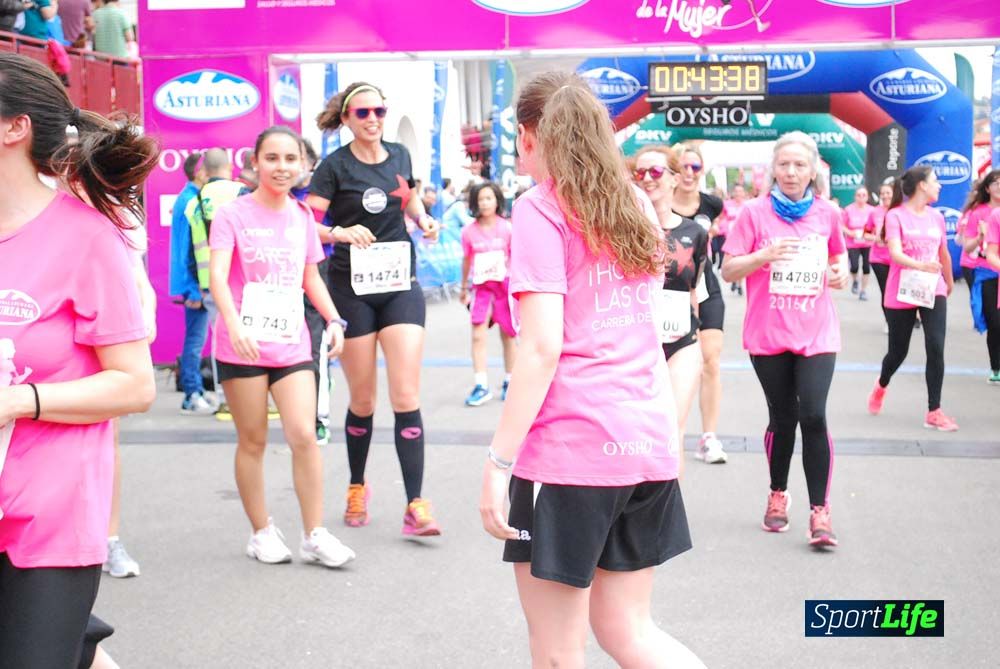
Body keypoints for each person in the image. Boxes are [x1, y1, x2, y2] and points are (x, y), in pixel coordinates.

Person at [479, 71, 700, 669]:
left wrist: (498, 463)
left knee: (558, 652)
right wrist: (669, 433)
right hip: (643, 440)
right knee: (630, 632)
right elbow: (651, 332)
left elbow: (540, 348)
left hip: (572, 451)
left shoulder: (540, 208)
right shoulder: (636, 203)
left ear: (530, 135)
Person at [0, 52, 157, 666]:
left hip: (50, 514)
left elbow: (134, 384)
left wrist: (20, 400)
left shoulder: (87, 237)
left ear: (14, 128)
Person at [208, 126, 355, 567]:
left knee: (304, 434)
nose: (281, 167)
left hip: (291, 342)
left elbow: (310, 277)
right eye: (271, 158)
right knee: (253, 440)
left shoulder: (302, 217)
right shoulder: (232, 215)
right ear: (255, 163)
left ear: (304, 165)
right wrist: (234, 324)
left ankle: (314, 534)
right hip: (244, 346)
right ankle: (261, 531)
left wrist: (334, 319)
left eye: (291, 159)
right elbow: (218, 277)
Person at [307, 82, 443, 535]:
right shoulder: (334, 166)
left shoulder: (400, 155)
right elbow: (306, 223)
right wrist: (339, 233)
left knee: (405, 396)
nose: (372, 119)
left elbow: (410, 198)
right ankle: (356, 485)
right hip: (352, 289)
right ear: (346, 118)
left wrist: (423, 220)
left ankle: (416, 504)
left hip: (400, 284)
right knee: (363, 399)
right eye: (363, 112)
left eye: (379, 111)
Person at [721, 131, 849, 548]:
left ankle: (820, 511)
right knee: (783, 418)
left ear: (812, 171)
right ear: (772, 170)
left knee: (813, 414)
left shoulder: (828, 213)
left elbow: (839, 258)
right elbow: (729, 270)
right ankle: (778, 493)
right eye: (784, 164)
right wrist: (763, 256)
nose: (791, 172)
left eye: (799, 165)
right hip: (768, 333)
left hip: (817, 332)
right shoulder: (753, 214)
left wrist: (841, 273)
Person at [634, 146, 710, 472]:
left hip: (681, 342)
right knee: (635, 433)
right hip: (634, 345)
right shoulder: (622, 229)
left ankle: (669, 503)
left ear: (674, 178)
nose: (647, 179)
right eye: (640, 173)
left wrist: (699, 343)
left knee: (671, 428)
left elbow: (694, 290)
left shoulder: (696, 233)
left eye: (655, 172)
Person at [867, 165, 958, 430]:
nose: (939, 185)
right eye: (935, 181)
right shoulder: (895, 216)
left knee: (936, 345)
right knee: (898, 351)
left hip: (932, 286)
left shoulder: (936, 217)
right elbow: (895, 253)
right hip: (902, 289)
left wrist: (948, 280)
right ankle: (882, 383)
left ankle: (934, 411)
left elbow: (943, 253)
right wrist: (920, 266)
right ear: (922, 185)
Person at [671, 142, 727, 464]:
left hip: (705, 286)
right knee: (667, 366)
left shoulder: (712, 204)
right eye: (684, 166)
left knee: (711, 361)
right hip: (670, 291)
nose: (689, 173)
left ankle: (708, 437)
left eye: (696, 167)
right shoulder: (659, 200)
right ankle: (669, 430)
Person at [185, 147, 248, 422]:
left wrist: (194, 284)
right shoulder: (242, 193)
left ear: (204, 171)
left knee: (219, 338)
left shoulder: (194, 201)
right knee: (250, 333)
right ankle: (252, 396)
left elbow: (189, 249)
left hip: (208, 279)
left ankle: (224, 399)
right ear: (229, 167)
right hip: (241, 278)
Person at [294, 139, 336, 445]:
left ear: (309, 164)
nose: (289, 166)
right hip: (278, 276)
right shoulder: (267, 196)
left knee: (315, 346)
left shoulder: (323, 193)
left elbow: (332, 230)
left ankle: (318, 418)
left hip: (317, 270)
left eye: (296, 159)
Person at [459, 181, 516, 406]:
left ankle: (510, 381)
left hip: (504, 287)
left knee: (508, 335)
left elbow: (517, 258)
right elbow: (466, 260)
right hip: (481, 290)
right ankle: (481, 385)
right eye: (480, 199)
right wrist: (464, 288)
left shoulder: (508, 228)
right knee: (477, 334)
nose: (484, 203)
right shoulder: (468, 232)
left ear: (497, 201)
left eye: (489, 198)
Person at [169, 152, 215, 415]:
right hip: (194, 286)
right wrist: (193, 288)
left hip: (195, 285)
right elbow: (188, 250)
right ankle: (191, 394)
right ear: (200, 173)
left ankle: (195, 390)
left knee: (196, 340)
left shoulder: (189, 198)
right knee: (195, 342)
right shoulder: (190, 201)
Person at [958, 169, 1000, 383]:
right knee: (995, 321)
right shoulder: (978, 213)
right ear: (987, 188)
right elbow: (967, 246)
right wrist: (981, 236)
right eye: (996, 183)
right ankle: (996, 368)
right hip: (984, 269)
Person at [866, 179, 895, 330]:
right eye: (882, 193)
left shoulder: (899, 211)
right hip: (878, 258)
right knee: (886, 290)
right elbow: (865, 233)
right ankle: (889, 321)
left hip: (897, 258)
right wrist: (875, 238)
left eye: (888, 193)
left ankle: (908, 318)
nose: (885, 196)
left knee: (898, 290)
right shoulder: (874, 212)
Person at [842, 186, 875, 301]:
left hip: (867, 243)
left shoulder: (872, 210)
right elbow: (841, 225)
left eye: (864, 195)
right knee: (854, 266)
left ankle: (863, 291)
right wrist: (850, 233)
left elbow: (875, 225)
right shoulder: (848, 209)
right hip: (853, 243)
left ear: (867, 197)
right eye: (859, 195)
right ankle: (855, 280)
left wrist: (870, 233)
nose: (861, 198)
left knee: (866, 267)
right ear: (855, 197)